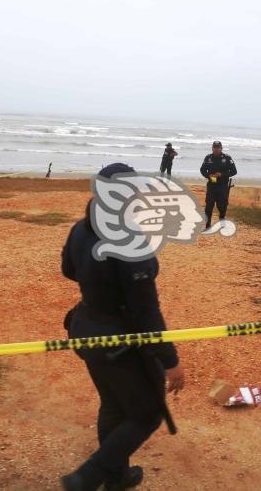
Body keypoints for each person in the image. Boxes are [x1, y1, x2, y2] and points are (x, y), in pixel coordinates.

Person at [60, 163, 185, 491]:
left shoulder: (80, 228)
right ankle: (89, 475)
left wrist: (98, 286)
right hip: (120, 342)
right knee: (146, 415)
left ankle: (117, 477)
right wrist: (171, 362)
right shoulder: (129, 240)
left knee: (114, 405)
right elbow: (147, 313)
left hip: (88, 328)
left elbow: (68, 270)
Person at [199, 141, 237, 229]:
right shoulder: (208, 158)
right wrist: (208, 175)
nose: (216, 149)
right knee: (209, 205)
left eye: (218, 147)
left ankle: (222, 220)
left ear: (221, 148)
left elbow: (234, 171)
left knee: (222, 206)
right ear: (212, 148)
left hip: (222, 186)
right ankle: (207, 224)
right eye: (214, 147)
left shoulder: (227, 158)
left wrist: (222, 174)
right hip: (211, 185)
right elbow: (202, 170)